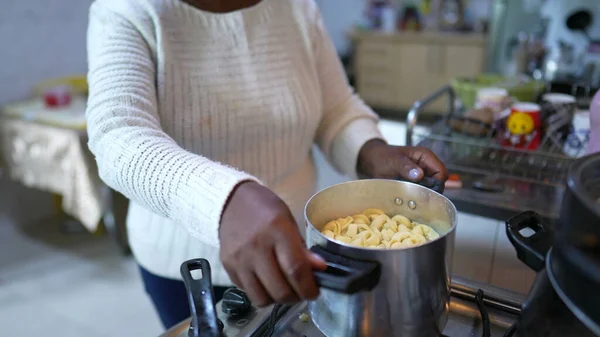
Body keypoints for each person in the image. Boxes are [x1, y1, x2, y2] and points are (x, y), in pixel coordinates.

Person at [86, 0, 448, 330]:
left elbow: (336, 108)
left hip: (298, 256)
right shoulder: (128, 10)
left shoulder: (297, 8)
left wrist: (371, 151)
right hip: (186, 269)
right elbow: (118, 135)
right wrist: (225, 201)